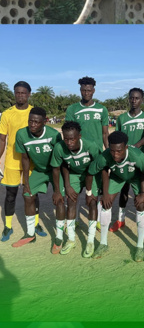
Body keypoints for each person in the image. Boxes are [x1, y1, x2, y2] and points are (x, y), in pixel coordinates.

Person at [0, 81, 44, 242]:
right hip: (13, 161)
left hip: (32, 161)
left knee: (32, 194)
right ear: (14, 94)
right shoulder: (7, 114)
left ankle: (35, 224)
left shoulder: (34, 113)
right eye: (17, 93)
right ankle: (8, 226)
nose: (20, 95)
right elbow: (2, 139)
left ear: (29, 94)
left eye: (23, 93)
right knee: (10, 195)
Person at [12, 107, 64, 250]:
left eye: (36, 122)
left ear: (45, 122)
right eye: (30, 121)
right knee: (27, 195)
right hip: (40, 170)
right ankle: (30, 234)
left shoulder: (54, 135)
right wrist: (26, 183)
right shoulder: (22, 134)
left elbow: (61, 160)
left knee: (59, 199)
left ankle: (59, 236)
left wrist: (58, 189)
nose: (32, 125)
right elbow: (25, 159)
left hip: (55, 170)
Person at [88, 131, 144, 261]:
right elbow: (94, 170)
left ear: (126, 147)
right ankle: (103, 244)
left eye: (119, 151)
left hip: (136, 177)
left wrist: (142, 193)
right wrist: (105, 193)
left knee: (141, 205)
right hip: (117, 177)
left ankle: (140, 246)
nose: (115, 154)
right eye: (112, 151)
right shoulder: (106, 155)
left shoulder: (138, 156)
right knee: (104, 204)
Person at [50, 121, 99, 257]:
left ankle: (90, 241)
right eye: (66, 139)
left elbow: (98, 165)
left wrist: (90, 191)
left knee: (92, 202)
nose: (69, 142)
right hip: (74, 175)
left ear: (79, 137)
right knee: (71, 202)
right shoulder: (60, 147)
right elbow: (57, 168)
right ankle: (71, 239)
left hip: (91, 174)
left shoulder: (91, 146)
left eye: (72, 139)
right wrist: (64, 187)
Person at [112, 88, 144, 233]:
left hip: (140, 160)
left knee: (140, 194)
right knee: (124, 190)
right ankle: (121, 219)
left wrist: (136, 146)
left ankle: (141, 224)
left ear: (141, 100)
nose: (134, 101)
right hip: (124, 160)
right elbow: (117, 136)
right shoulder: (122, 118)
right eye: (131, 98)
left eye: (137, 98)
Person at [65, 76, 108, 150]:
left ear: (93, 91)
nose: (86, 93)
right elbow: (69, 132)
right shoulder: (72, 109)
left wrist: (108, 150)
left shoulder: (101, 109)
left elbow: (105, 133)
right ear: (80, 90)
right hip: (79, 151)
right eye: (83, 90)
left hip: (97, 151)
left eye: (89, 90)